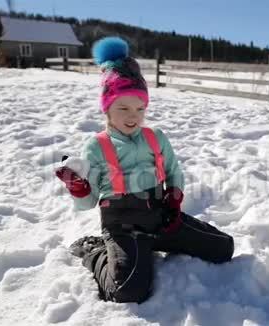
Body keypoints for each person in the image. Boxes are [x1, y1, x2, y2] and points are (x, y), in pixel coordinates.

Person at [55, 37, 234, 304]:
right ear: (107, 108)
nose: (133, 116)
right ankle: (96, 252)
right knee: (126, 291)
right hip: (124, 227)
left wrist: (174, 197)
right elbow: (89, 200)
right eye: (123, 107)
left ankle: (158, 242)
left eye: (140, 108)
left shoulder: (155, 137)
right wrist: (79, 188)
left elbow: (173, 171)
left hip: (163, 218)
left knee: (223, 248)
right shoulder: (97, 146)